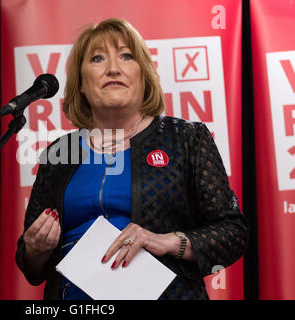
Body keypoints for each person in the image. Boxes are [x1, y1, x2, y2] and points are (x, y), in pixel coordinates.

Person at [15, 18, 248, 300]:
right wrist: (35, 250)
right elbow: (31, 267)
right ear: (81, 84)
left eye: (126, 56)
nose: (113, 68)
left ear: (143, 75)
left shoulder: (187, 139)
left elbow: (233, 233)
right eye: (98, 58)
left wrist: (164, 241)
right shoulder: (59, 153)